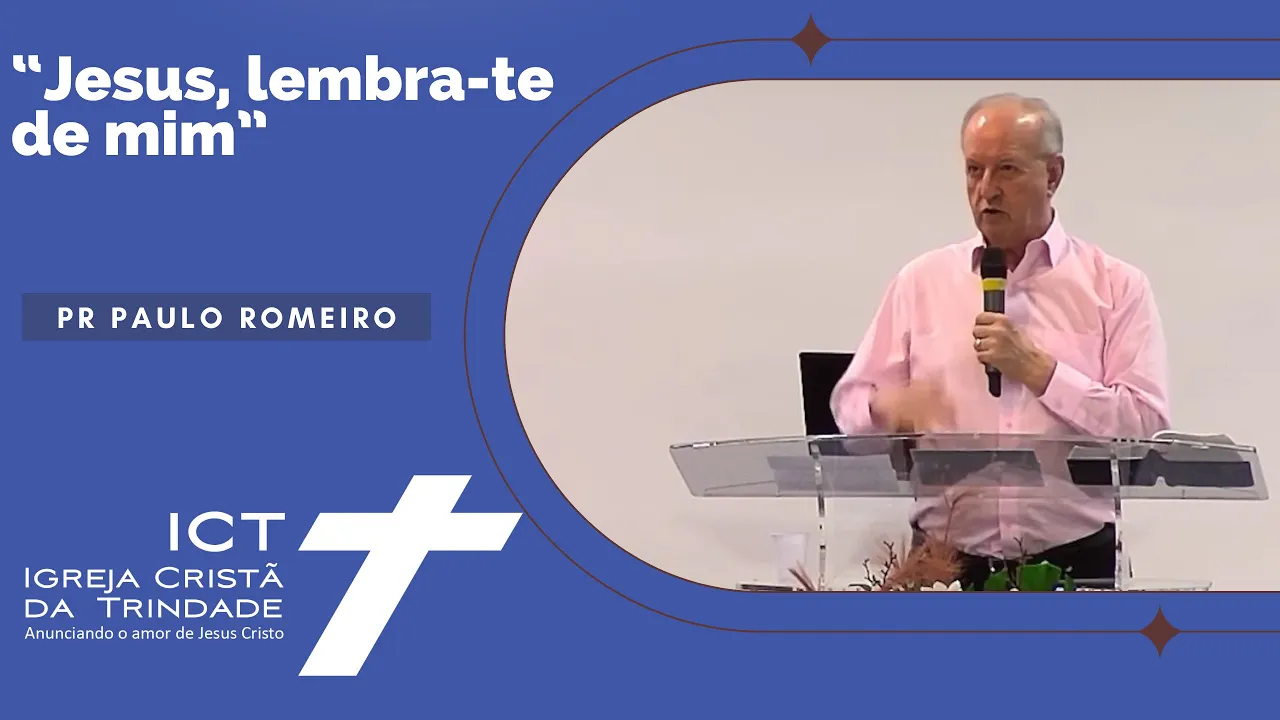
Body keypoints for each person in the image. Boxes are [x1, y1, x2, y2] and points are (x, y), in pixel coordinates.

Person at [829, 93, 1171, 588]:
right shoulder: (921, 282)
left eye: (1007, 169)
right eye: (974, 169)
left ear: (1052, 175)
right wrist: (885, 411)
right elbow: (849, 407)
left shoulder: (1116, 286)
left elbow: (1144, 423)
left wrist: (1042, 372)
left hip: (1075, 561)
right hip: (944, 566)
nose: (986, 189)